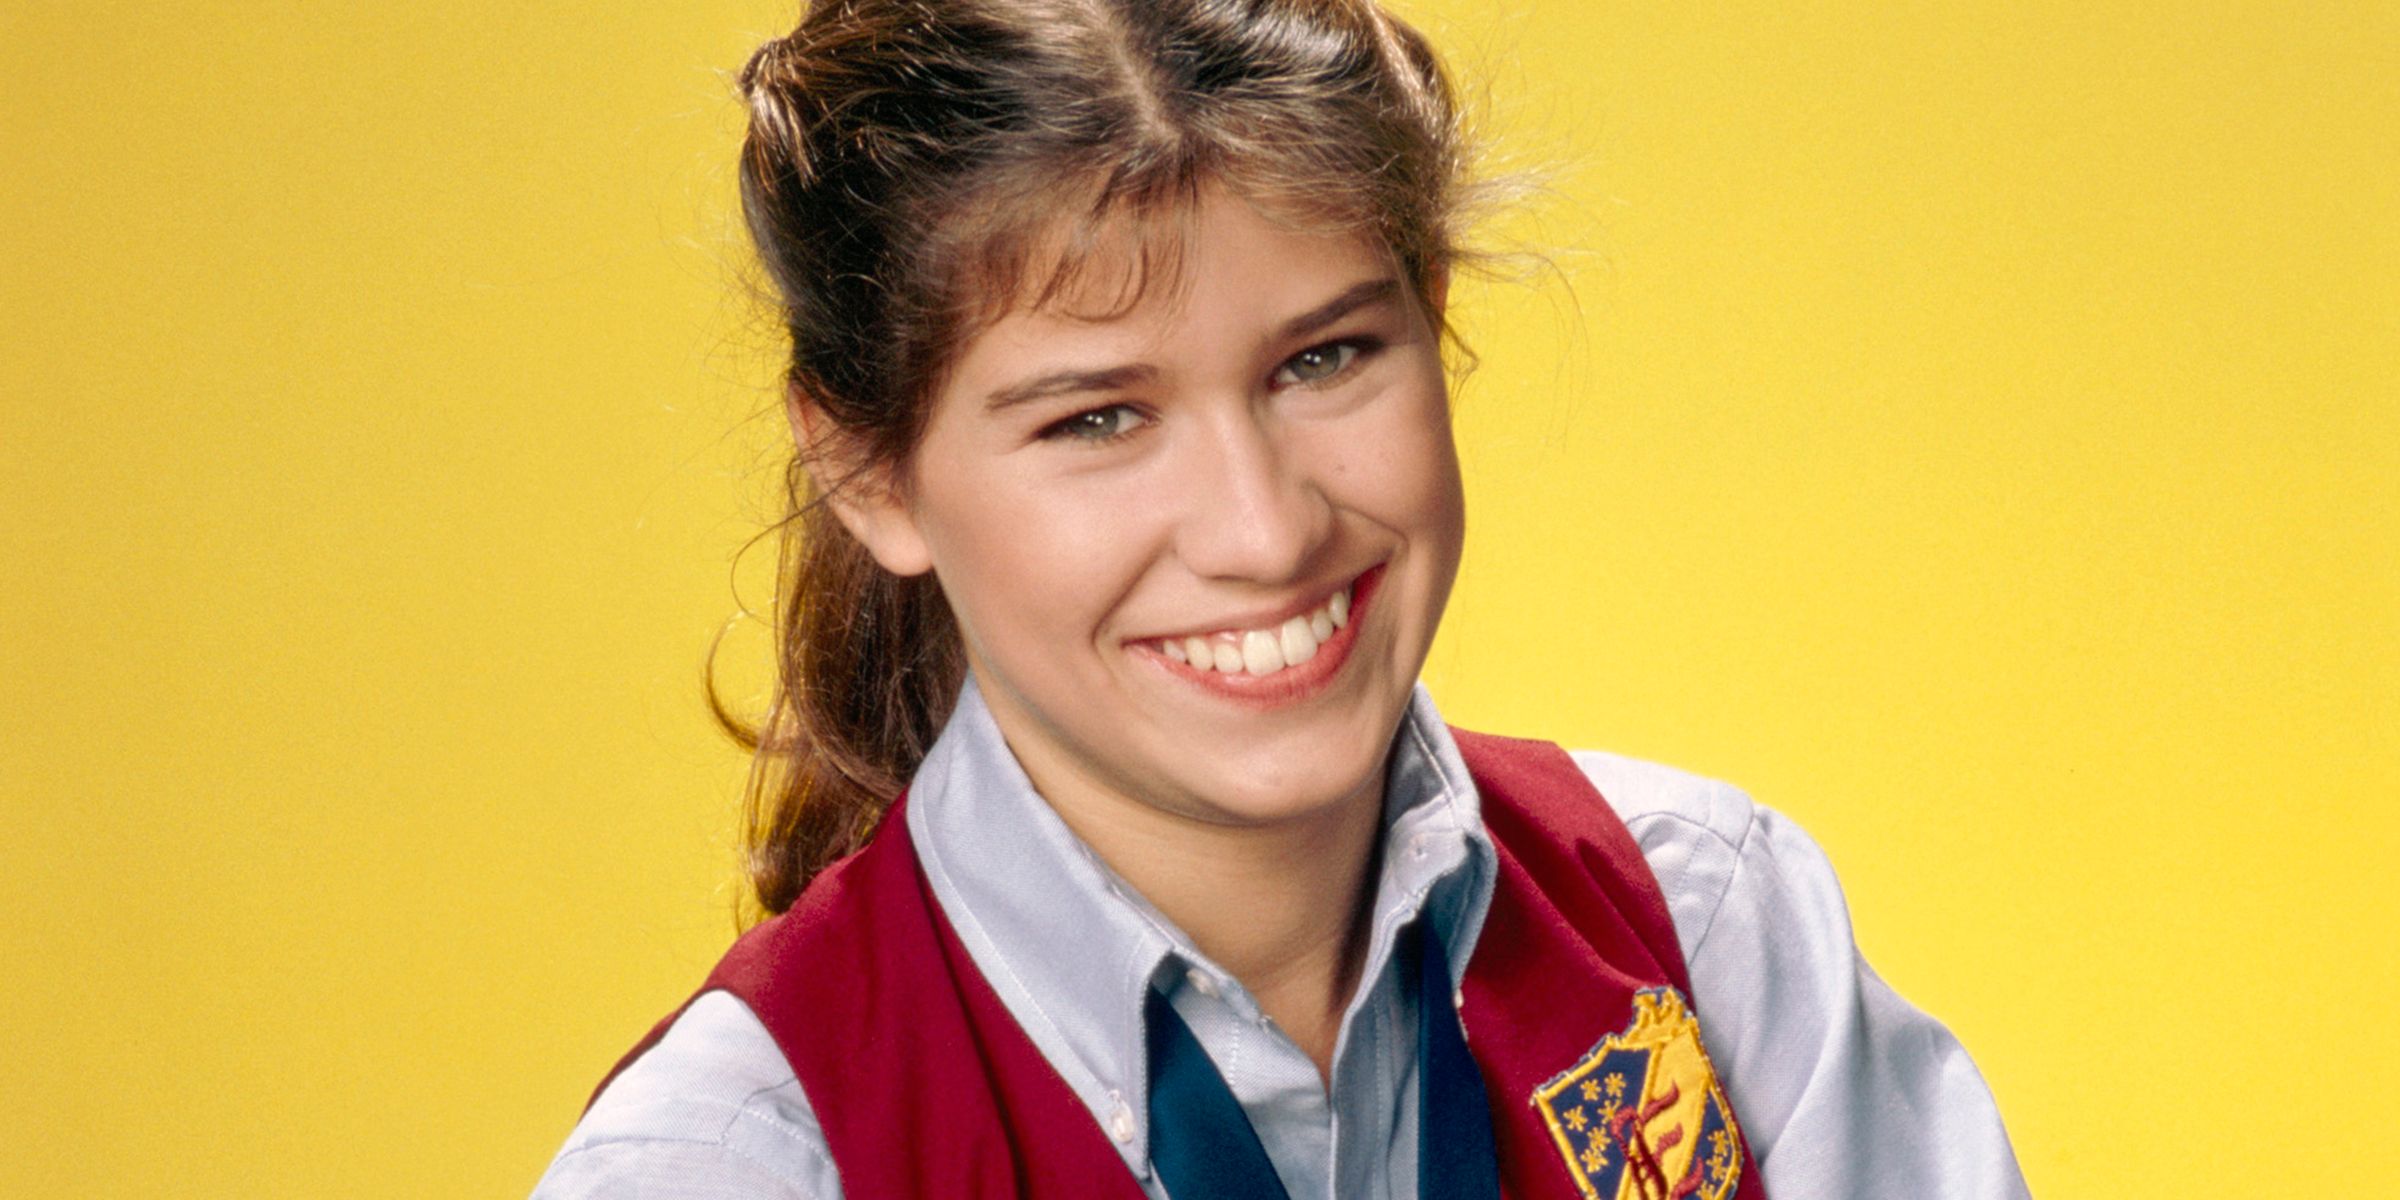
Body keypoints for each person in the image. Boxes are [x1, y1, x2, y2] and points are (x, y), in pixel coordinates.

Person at [535, 1, 2030, 1197]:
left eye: (1324, 360)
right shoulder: (745, 1157)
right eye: (1096, 419)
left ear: (1433, 317)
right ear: (872, 475)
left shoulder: (1709, 925)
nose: (1261, 531)